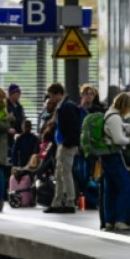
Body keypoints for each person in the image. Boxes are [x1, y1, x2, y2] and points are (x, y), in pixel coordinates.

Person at [100, 92, 130, 230]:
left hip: (107, 156)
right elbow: (118, 140)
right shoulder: (114, 118)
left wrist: (124, 127)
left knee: (110, 189)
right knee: (125, 187)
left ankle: (109, 220)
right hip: (113, 155)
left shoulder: (109, 114)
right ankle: (121, 220)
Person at [45, 83, 80, 214]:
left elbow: (72, 128)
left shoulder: (67, 107)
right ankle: (57, 202)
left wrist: (67, 143)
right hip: (62, 144)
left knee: (65, 173)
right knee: (59, 174)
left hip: (66, 145)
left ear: (58, 94)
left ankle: (70, 202)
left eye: (52, 95)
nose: (51, 99)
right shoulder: (63, 107)